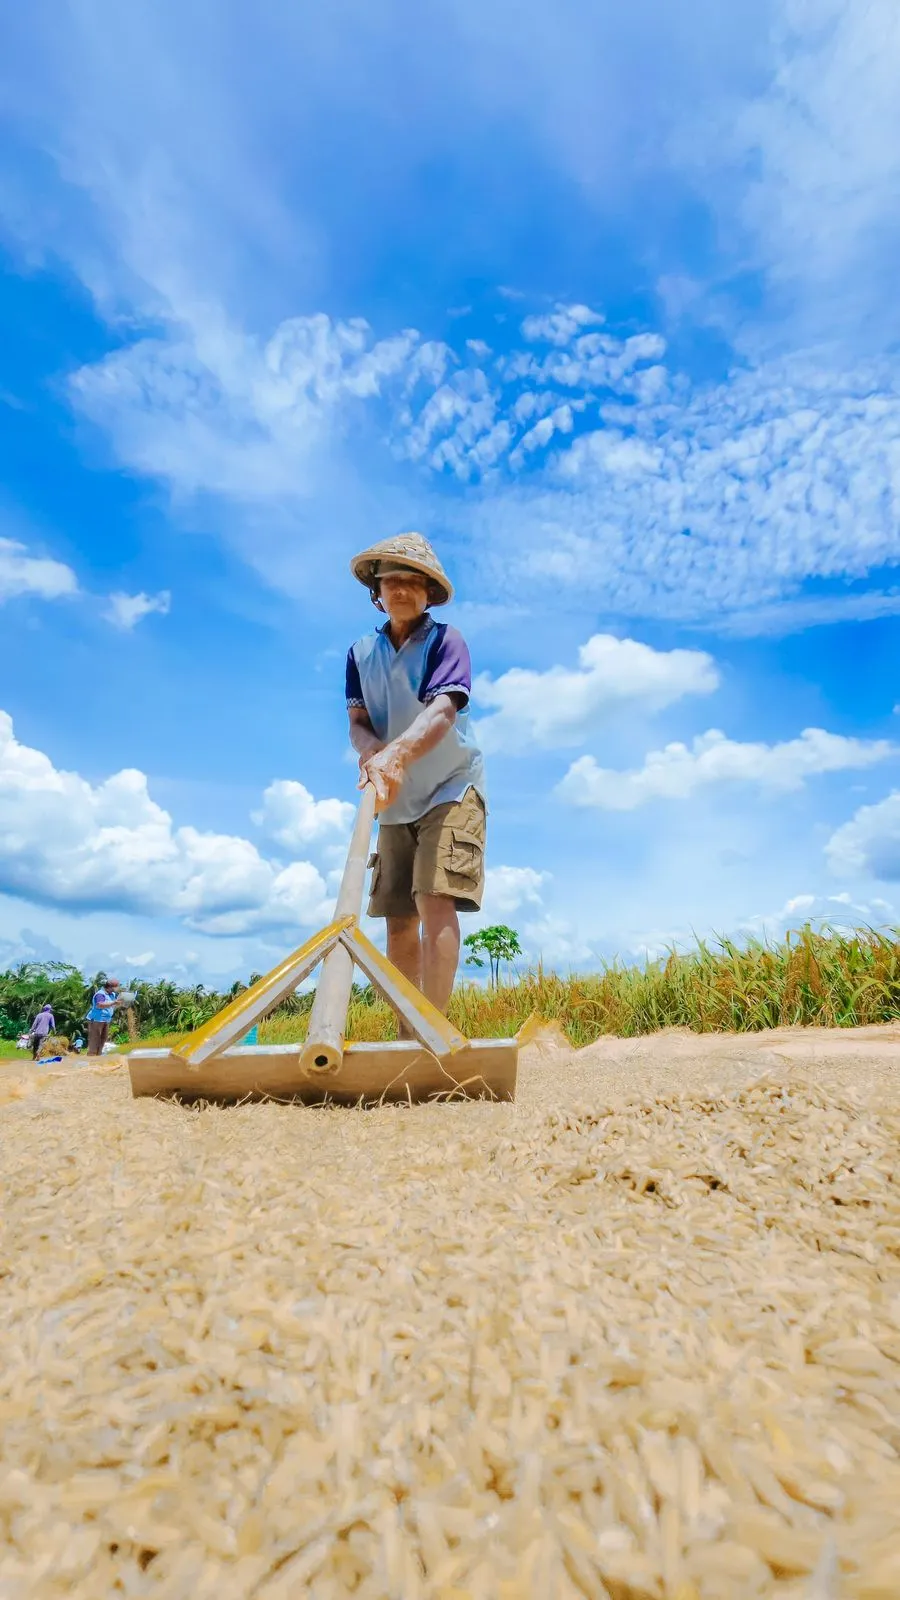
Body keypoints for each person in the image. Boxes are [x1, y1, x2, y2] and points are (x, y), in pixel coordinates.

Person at [346, 532, 486, 1016]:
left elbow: (443, 710)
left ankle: (433, 1031)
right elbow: (358, 723)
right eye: (392, 581)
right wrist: (372, 753)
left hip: (451, 786)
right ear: (377, 592)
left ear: (429, 592)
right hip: (394, 796)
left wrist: (396, 755)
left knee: (433, 898)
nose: (401, 589)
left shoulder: (446, 641)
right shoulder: (360, 653)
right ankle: (407, 1034)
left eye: (413, 581)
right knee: (399, 916)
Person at [86, 978, 121, 1056]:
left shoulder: (112, 994)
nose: (118, 988)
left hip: (106, 1020)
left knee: (103, 1039)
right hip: (96, 1020)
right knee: (95, 1040)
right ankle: (91, 1057)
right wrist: (113, 1003)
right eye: (117, 987)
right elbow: (100, 1005)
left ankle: (98, 1056)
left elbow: (112, 1005)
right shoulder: (100, 994)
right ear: (110, 987)